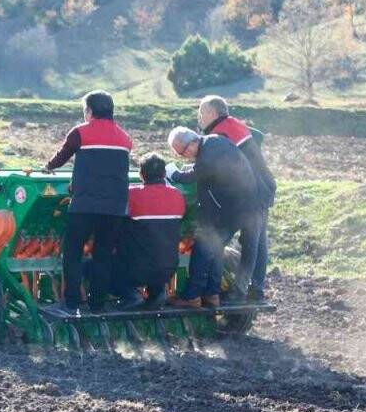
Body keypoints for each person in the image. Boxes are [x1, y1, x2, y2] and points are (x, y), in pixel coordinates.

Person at [44, 91, 132, 312]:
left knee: (72, 252)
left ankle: (72, 302)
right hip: (115, 209)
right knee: (102, 256)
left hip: (85, 206)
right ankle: (97, 305)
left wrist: (48, 167)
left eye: (85, 110)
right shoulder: (124, 138)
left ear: (90, 111)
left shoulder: (80, 133)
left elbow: (61, 157)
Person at [165, 127, 260, 309]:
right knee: (216, 248)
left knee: (202, 249)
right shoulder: (215, 142)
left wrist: (173, 173)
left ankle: (192, 297)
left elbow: (191, 176)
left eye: (183, 151)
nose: (185, 156)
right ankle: (212, 294)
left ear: (192, 142)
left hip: (229, 209)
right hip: (241, 205)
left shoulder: (208, 155)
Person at [198, 95, 276, 303]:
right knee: (257, 242)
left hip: (252, 194)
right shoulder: (236, 125)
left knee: (247, 241)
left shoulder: (220, 134)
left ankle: (239, 291)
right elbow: (256, 139)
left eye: (201, 112)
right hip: (263, 188)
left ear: (213, 113)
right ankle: (255, 290)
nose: (199, 116)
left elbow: (211, 167)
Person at [112, 154, 186, 310]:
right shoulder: (177, 195)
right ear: (165, 174)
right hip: (168, 268)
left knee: (97, 265)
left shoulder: (131, 194)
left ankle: (131, 295)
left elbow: (112, 221)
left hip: (136, 269)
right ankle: (157, 294)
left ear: (141, 175)